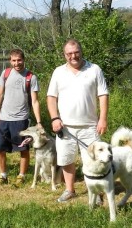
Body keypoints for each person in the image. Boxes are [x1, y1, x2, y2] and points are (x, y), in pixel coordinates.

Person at [46, 39, 109, 203]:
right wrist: (54, 118)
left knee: (94, 161)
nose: (73, 56)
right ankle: (70, 190)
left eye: (76, 52)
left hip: (90, 126)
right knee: (66, 160)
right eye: (69, 54)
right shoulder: (58, 72)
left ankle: (96, 193)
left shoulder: (94, 69)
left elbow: (103, 95)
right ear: (64, 55)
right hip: (65, 127)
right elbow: (51, 97)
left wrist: (102, 119)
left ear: (81, 51)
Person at [0, 49, 42, 185]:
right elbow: (0, 95)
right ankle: (3, 175)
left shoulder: (31, 77)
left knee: (23, 149)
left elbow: (35, 101)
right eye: (14, 60)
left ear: (23, 60)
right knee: (0, 148)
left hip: (21, 120)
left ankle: (22, 175)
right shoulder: (5, 73)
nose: (17, 63)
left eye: (19, 60)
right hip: (3, 118)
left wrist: (39, 122)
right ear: (10, 61)